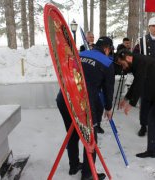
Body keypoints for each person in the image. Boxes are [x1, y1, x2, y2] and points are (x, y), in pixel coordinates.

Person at [56, 36, 115, 180]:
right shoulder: (107, 63)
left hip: (64, 98)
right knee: (90, 136)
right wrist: (108, 108)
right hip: (83, 103)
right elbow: (108, 90)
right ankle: (88, 174)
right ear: (107, 49)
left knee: (73, 133)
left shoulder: (79, 54)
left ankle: (74, 165)